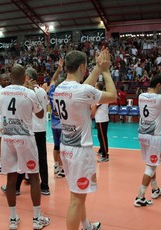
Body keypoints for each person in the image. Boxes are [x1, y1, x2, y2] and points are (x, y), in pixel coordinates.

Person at [53, 48, 117, 230]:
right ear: (82, 66)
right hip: (80, 151)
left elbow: (84, 89)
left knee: (77, 194)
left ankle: (87, 226)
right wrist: (105, 70)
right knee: (76, 199)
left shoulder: (60, 88)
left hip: (67, 147)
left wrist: (97, 67)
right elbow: (112, 96)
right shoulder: (82, 91)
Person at [0, 64, 50, 230]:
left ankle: (13, 218)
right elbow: (41, 114)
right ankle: (36, 218)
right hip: (25, 138)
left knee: (11, 178)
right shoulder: (29, 93)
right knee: (34, 176)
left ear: (11, 76)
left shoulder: (2, 91)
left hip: (7, 138)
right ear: (24, 77)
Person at [134, 73, 161, 207]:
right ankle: (140, 197)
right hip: (154, 137)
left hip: (142, 134)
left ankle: (155, 189)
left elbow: (157, 97)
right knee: (151, 166)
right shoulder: (160, 98)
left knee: (150, 163)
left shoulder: (141, 96)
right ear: (158, 85)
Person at [25, 67, 50, 195]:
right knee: (42, 157)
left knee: (26, 157)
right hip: (41, 128)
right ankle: (45, 185)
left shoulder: (28, 92)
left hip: (32, 129)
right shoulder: (42, 92)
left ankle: (17, 186)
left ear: (29, 78)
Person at [48, 58, 65, 177]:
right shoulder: (65, 93)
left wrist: (59, 69)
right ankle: (61, 169)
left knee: (56, 146)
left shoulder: (51, 91)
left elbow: (53, 79)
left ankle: (56, 166)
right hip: (63, 124)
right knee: (62, 148)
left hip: (53, 125)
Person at [91, 82, 110, 162]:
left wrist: (91, 115)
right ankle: (102, 150)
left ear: (98, 88)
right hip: (102, 119)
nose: (94, 88)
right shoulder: (103, 95)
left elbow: (94, 107)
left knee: (102, 137)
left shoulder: (100, 96)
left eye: (95, 86)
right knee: (101, 136)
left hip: (101, 120)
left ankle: (105, 155)